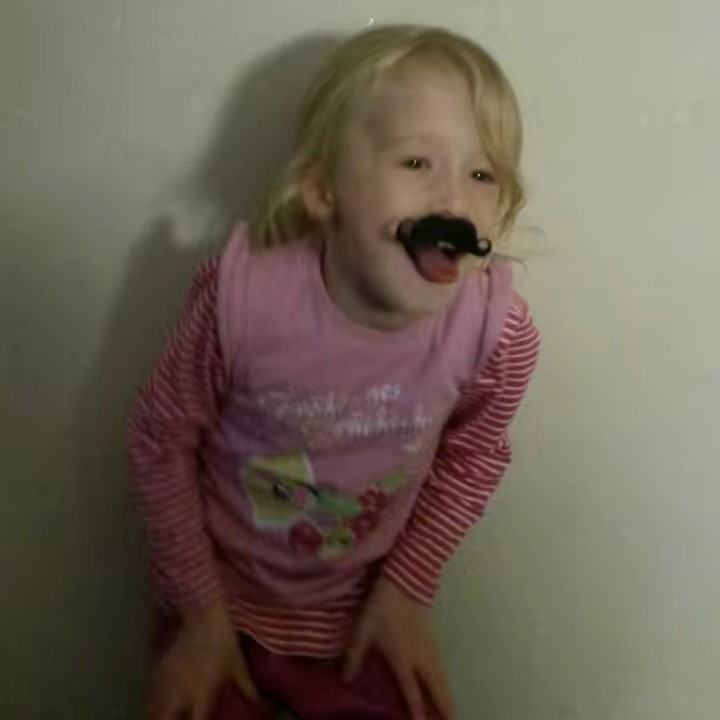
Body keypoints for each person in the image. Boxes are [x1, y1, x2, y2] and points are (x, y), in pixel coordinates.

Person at [128, 23, 541, 720]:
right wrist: (199, 614)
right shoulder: (243, 302)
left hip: (367, 613)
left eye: (483, 174)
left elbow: (475, 456)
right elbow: (158, 439)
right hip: (220, 605)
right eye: (417, 162)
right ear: (323, 191)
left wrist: (406, 593)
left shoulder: (495, 335)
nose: (454, 202)